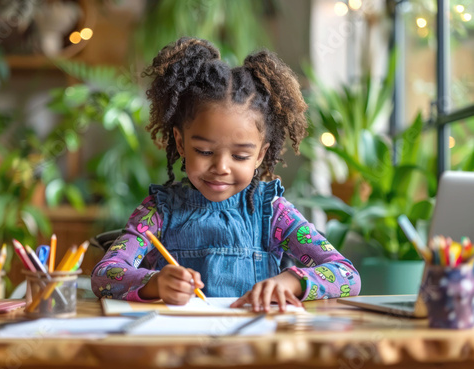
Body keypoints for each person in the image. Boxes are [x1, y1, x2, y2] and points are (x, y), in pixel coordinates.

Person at [91, 37, 360, 312]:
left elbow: (346, 275)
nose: (221, 167)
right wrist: (155, 283)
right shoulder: (157, 213)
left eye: (240, 156)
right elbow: (105, 275)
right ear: (181, 143)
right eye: (205, 151)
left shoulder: (275, 213)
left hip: (256, 347)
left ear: (260, 155)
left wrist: (290, 281)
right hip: (177, 344)